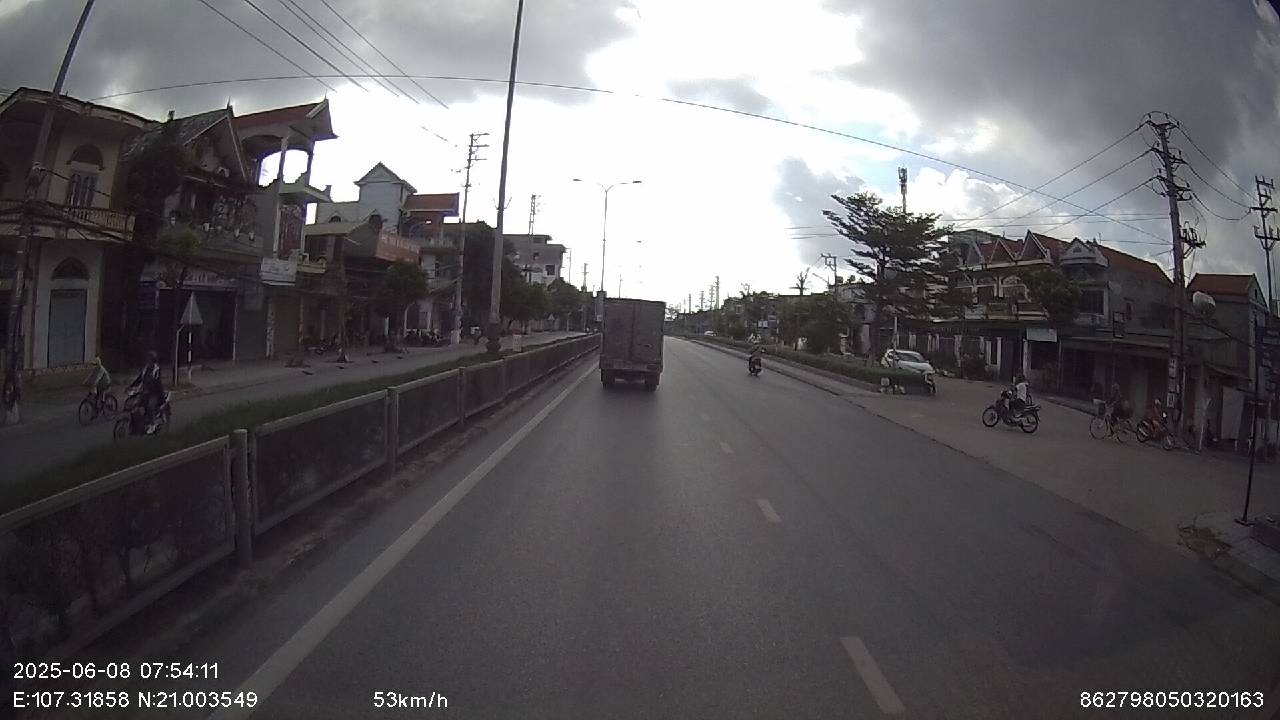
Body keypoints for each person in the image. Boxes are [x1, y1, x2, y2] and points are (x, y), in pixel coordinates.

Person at [129, 351, 165, 434]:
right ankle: (138, 425)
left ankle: (152, 425)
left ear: (153, 361)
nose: (148, 361)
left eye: (149, 360)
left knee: (150, 406)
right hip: (145, 392)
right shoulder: (145, 369)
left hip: (155, 394)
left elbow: (158, 383)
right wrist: (131, 386)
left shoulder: (157, 370)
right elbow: (139, 379)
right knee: (134, 405)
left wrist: (153, 390)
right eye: (147, 359)